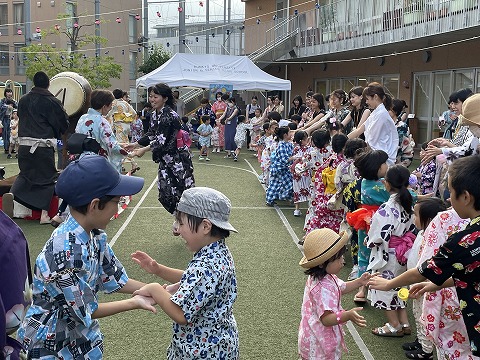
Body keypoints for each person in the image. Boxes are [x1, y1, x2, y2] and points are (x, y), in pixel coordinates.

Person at [17, 154, 156, 359]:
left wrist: (156, 291)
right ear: (94, 205)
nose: (116, 209)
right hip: (50, 345)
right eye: (116, 202)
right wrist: (135, 302)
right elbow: (84, 310)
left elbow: (114, 278)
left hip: (78, 339)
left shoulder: (94, 234)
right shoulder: (65, 252)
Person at [368, 155, 480, 358]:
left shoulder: (465, 240)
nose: (448, 198)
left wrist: (388, 284)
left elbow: (424, 271)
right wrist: (437, 285)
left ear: (465, 197)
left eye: (451, 192)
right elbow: (472, 271)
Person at [131, 187, 239, 359]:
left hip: (203, 349)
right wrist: (158, 270)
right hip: (217, 343)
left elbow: (181, 314)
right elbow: (194, 279)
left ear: (205, 226)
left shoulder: (207, 265)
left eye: (181, 223)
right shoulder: (216, 252)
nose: (178, 230)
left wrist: (154, 289)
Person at [298, 228, 371, 360]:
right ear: (321, 263)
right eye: (338, 258)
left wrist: (360, 281)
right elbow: (326, 319)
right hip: (319, 344)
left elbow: (341, 287)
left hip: (315, 337)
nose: (343, 261)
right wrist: (347, 315)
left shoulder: (325, 276)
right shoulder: (321, 287)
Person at [9, 71, 69, 224]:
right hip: (42, 147)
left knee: (25, 175)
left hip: (24, 147)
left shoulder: (23, 100)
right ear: (48, 84)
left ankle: (12, 197)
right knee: (47, 178)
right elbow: (62, 125)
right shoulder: (52, 102)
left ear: (34, 83)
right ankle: (44, 215)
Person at [128, 83, 195, 214]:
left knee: (184, 192)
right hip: (165, 160)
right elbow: (152, 133)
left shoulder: (169, 115)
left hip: (178, 159)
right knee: (165, 193)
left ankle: (187, 220)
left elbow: (161, 141)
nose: (152, 99)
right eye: (151, 96)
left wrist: (143, 149)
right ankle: (180, 218)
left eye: (155, 96)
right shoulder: (154, 114)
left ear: (165, 98)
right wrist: (136, 144)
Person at [367, 165, 416, 337]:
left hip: (388, 254)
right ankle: (404, 322)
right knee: (399, 285)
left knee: (384, 287)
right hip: (403, 253)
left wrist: (369, 240)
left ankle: (394, 325)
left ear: (387, 184)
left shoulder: (386, 209)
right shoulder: (408, 205)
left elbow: (377, 236)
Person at [403, 198, 447, 360]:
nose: (414, 218)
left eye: (416, 215)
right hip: (416, 282)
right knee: (417, 313)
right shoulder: (421, 233)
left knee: (425, 316)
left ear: (429, 219)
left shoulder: (432, 238)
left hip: (425, 285)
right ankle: (421, 341)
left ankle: (426, 350)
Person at [75, 89, 129, 173]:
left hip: (81, 159)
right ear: (104, 106)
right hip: (96, 162)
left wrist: (121, 145)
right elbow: (112, 146)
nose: (111, 108)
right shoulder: (102, 121)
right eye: (110, 105)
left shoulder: (82, 118)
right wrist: (128, 153)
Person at [348, 83, 399, 165]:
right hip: (377, 154)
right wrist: (344, 140)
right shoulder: (376, 112)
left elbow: (371, 141)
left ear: (375, 97)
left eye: (367, 99)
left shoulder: (381, 114)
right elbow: (360, 130)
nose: (366, 102)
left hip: (382, 158)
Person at [265, 126, 294, 206]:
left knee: (276, 184)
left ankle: (271, 199)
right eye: (289, 132)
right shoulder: (281, 145)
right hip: (280, 168)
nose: (291, 134)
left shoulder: (289, 144)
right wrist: (294, 157)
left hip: (283, 168)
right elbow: (284, 159)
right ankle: (285, 197)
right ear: (285, 135)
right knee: (288, 184)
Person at [291, 130, 311, 217]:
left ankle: (297, 209)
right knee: (309, 188)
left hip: (297, 171)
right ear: (302, 140)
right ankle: (309, 208)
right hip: (305, 171)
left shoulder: (295, 148)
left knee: (297, 189)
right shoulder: (309, 149)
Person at [0, 88, 17, 154]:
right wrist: (7, 106)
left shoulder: (14, 101)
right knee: (5, 133)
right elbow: (1, 107)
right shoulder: (3, 100)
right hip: (4, 119)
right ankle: (6, 148)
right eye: (8, 92)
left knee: (12, 133)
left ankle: (12, 148)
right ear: (5, 93)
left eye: (10, 92)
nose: (9, 93)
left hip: (11, 119)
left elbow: (17, 107)